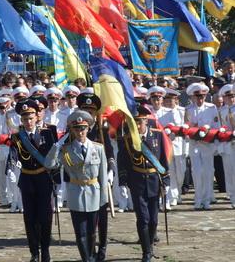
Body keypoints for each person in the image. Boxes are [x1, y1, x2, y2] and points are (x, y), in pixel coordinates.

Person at [46, 110, 108, 262]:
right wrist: (56, 146)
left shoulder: (98, 148)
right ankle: (86, 259)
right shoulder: (66, 149)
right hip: (76, 192)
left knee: (92, 231)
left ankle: (92, 256)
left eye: (83, 128)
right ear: (72, 130)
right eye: (77, 128)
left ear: (88, 129)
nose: (80, 132)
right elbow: (49, 164)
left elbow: (102, 175)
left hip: (94, 191)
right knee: (80, 232)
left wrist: (104, 198)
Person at [118, 106, 170, 262]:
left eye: (140, 122)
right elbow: (123, 161)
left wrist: (166, 179)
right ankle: (146, 252)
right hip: (137, 181)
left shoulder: (158, 135)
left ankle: (151, 244)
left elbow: (162, 159)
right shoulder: (127, 139)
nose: (138, 125)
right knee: (143, 218)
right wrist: (123, 180)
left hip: (154, 180)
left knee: (154, 219)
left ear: (146, 121)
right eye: (135, 122)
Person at [8, 99, 55, 262]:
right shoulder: (17, 136)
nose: (28, 121)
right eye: (25, 118)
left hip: (43, 178)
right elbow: (13, 153)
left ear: (36, 117)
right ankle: (34, 252)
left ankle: (46, 249)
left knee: (45, 216)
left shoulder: (47, 133)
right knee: (30, 218)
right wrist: (12, 166)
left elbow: (53, 154)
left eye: (31, 117)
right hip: (27, 178)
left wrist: (56, 175)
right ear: (21, 120)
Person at [77, 93, 114, 261]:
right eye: (85, 110)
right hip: (83, 179)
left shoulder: (101, 127)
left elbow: (109, 152)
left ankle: (103, 246)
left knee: (102, 215)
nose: (89, 114)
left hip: (101, 178)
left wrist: (111, 171)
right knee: (87, 215)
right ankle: (89, 250)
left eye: (91, 111)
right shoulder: (76, 129)